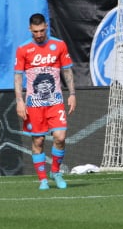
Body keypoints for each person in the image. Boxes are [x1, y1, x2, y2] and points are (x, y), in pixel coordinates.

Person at [14, 13, 77, 190]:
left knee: (60, 136)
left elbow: (67, 71)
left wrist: (72, 93)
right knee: (38, 141)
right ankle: (42, 179)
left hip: (55, 102)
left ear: (46, 27)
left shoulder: (59, 45)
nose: (39, 34)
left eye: (42, 30)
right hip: (34, 104)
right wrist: (19, 101)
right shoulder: (23, 49)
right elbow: (18, 77)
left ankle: (55, 172)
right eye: (35, 31)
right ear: (30, 29)